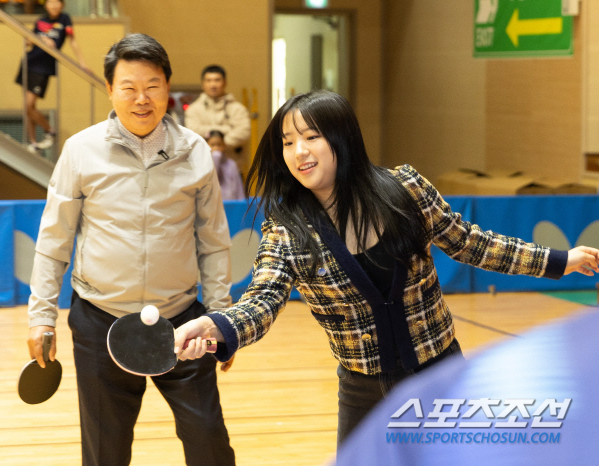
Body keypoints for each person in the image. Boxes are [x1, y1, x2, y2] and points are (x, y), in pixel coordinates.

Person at [174, 90, 599, 448]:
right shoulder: (286, 226)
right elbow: (263, 298)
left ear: (342, 139)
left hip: (440, 376)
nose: (298, 151)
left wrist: (560, 261)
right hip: (362, 391)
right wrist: (217, 327)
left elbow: (472, 244)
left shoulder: (406, 189)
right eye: (287, 142)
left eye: (311, 136)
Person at [26, 33, 236, 466]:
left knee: (209, 441)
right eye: (129, 87)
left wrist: (221, 318)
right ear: (109, 89)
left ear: (168, 89)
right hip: (99, 320)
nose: (142, 99)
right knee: (106, 452)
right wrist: (41, 315)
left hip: (182, 324)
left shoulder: (195, 152)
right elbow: (54, 240)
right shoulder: (80, 151)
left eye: (153, 86)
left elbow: (213, 242)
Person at [15, 0, 89, 153]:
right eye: (51, 2)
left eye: (57, 3)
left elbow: (72, 41)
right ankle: (33, 142)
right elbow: (29, 40)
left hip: (43, 67)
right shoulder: (40, 20)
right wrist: (40, 39)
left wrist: (82, 63)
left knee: (28, 105)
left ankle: (50, 130)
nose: (54, 6)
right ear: (46, 5)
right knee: (29, 107)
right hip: (29, 62)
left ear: (62, 5)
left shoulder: (65, 19)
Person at [184, 65, 251, 175]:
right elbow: (193, 133)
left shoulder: (238, 109)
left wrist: (211, 141)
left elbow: (243, 133)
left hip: (233, 168)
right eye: (209, 80)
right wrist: (226, 129)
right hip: (202, 169)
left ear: (225, 83)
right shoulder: (193, 110)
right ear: (203, 84)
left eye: (217, 80)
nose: (213, 85)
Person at [205, 130, 245, 200]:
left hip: (230, 204)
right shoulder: (204, 163)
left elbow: (239, 187)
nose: (216, 148)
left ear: (224, 145)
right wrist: (215, 158)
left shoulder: (231, 164)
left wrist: (240, 202)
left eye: (219, 145)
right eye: (212, 145)